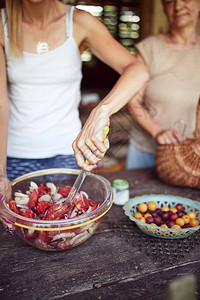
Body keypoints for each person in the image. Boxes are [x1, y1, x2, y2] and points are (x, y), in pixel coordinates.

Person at [0, 0, 149, 196]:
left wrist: (101, 111)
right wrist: (1, 172)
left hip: (69, 154)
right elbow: (1, 105)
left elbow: (138, 70)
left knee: (70, 222)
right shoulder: (3, 25)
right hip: (14, 157)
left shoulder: (79, 22)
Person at [126, 0, 200, 170]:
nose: (178, 6)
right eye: (169, 2)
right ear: (165, 9)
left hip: (190, 156)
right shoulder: (149, 49)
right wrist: (158, 132)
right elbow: (133, 102)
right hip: (145, 153)